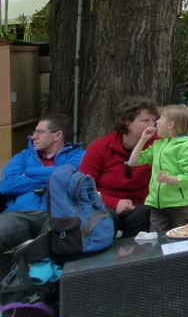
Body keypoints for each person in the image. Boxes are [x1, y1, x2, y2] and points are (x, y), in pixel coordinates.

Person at [0, 113, 84, 251]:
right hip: (18, 214)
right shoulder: (23, 156)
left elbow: (67, 179)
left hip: (56, 213)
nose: (34, 137)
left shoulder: (77, 155)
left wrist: (28, 172)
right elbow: (7, 185)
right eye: (34, 132)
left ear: (57, 135)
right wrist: (51, 178)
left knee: (58, 245)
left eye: (39, 132)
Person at [79, 96, 159, 238]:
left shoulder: (158, 145)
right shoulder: (100, 147)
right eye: (145, 120)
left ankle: (137, 256)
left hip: (140, 206)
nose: (152, 125)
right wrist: (114, 203)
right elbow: (83, 187)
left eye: (153, 120)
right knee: (106, 216)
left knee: (143, 214)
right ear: (128, 123)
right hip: (105, 204)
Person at [127, 104, 188, 234]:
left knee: (181, 241)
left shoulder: (187, 146)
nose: (156, 122)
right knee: (158, 243)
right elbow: (133, 161)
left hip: (180, 206)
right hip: (157, 206)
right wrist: (143, 140)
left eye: (160, 118)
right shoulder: (158, 144)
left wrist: (168, 179)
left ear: (170, 124)